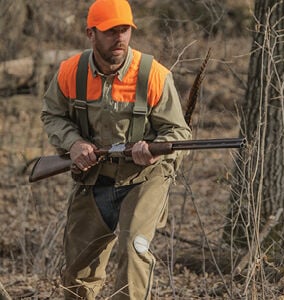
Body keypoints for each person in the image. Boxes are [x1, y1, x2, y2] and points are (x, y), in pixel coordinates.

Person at [41, 0, 192, 299]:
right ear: (91, 33)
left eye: (125, 30)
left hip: (145, 177)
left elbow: (179, 133)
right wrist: (74, 144)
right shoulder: (71, 71)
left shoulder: (153, 75)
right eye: (110, 31)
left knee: (134, 249)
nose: (120, 38)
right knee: (77, 270)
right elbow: (52, 115)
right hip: (96, 176)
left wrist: (153, 151)